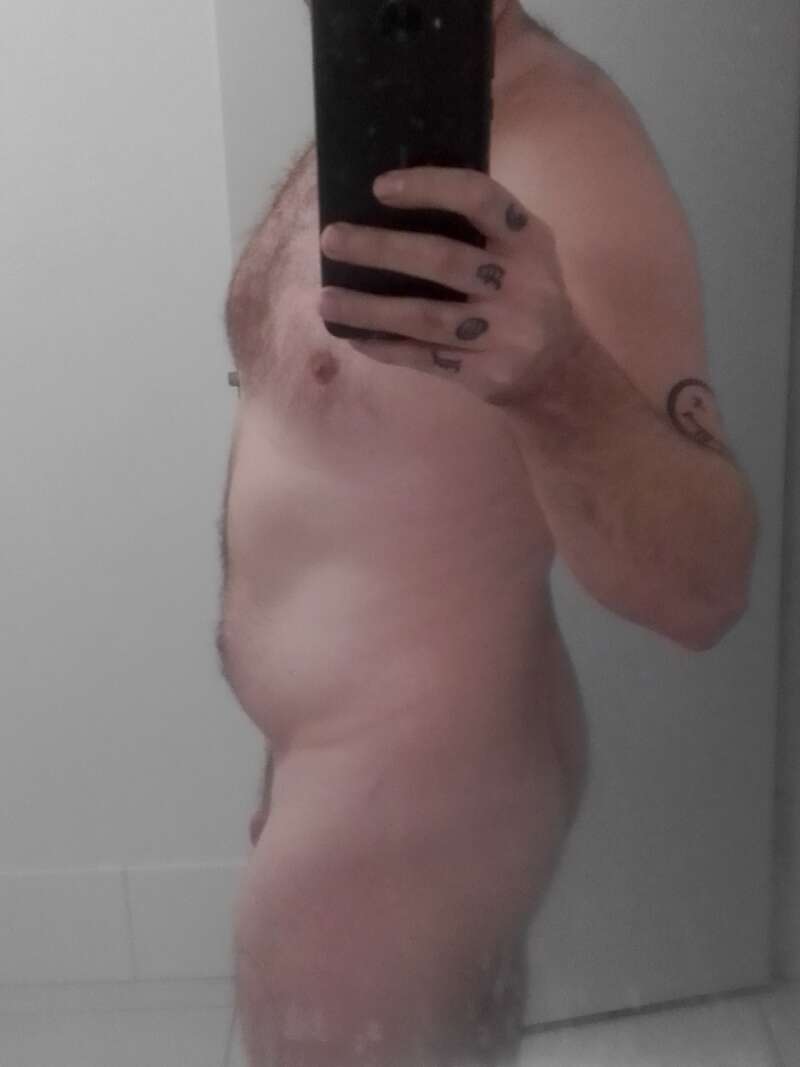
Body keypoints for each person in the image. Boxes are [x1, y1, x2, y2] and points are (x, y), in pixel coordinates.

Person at [218, 2, 759, 1064]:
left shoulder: (568, 151)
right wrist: (289, 759)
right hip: (346, 780)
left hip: (411, 815)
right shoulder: (393, 87)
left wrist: (556, 378)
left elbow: (705, 589)